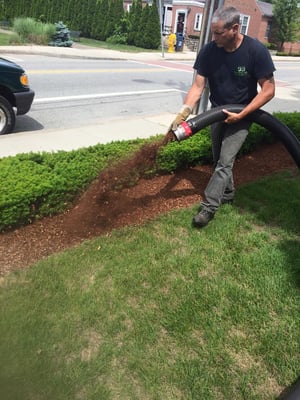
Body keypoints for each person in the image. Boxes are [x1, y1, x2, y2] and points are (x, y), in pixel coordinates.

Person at [167, 6, 276, 228]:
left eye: (218, 33)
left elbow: (268, 90)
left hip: (243, 115)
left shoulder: (255, 51)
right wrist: (184, 111)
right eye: (212, 32)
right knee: (219, 160)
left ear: (235, 28)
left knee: (225, 162)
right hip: (216, 112)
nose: (213, 37)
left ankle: (208, 207)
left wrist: (243, 114)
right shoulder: (210, 51)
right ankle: (228, 193)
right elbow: (198, 86)